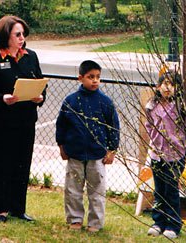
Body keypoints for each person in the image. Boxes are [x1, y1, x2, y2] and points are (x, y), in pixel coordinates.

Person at [0, 15, 46, 223]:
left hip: (26, 120)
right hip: (1, 121)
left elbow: (41, 82)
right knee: (2, 164)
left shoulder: (30, 56)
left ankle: (18, 208)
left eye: (23, 34)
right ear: (5, 36)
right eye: (17, 34)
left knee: (22, 164)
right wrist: (3, 99)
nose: (22, 38)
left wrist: (40, 97)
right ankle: (1, 209)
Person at [56, 60, 120, 232]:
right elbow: (61, 125)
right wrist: (62, 147)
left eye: (98, 77)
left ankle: (95, 223)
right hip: (75, 154)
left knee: (97, 192)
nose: (95, 81)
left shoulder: (105, 102)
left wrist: (112, 149)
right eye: (90, 77)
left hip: (97, 155)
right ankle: (75, 219)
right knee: (73, 190)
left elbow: (113, 127)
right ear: (80, 78)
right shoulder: (71, 101)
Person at [145, 71, 186, 239]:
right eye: (165, 83)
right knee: (159, 190)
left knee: (171, 190)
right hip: (157, 154)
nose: (168, 87)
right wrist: (155, 140)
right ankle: (159, 222)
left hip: (175, 155)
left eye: (172, 84)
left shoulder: (181, 107)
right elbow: (148, 125)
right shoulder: (152, 105)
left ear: (178, 88)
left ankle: (173, 224)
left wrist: (184, 147)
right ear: (158, 86)